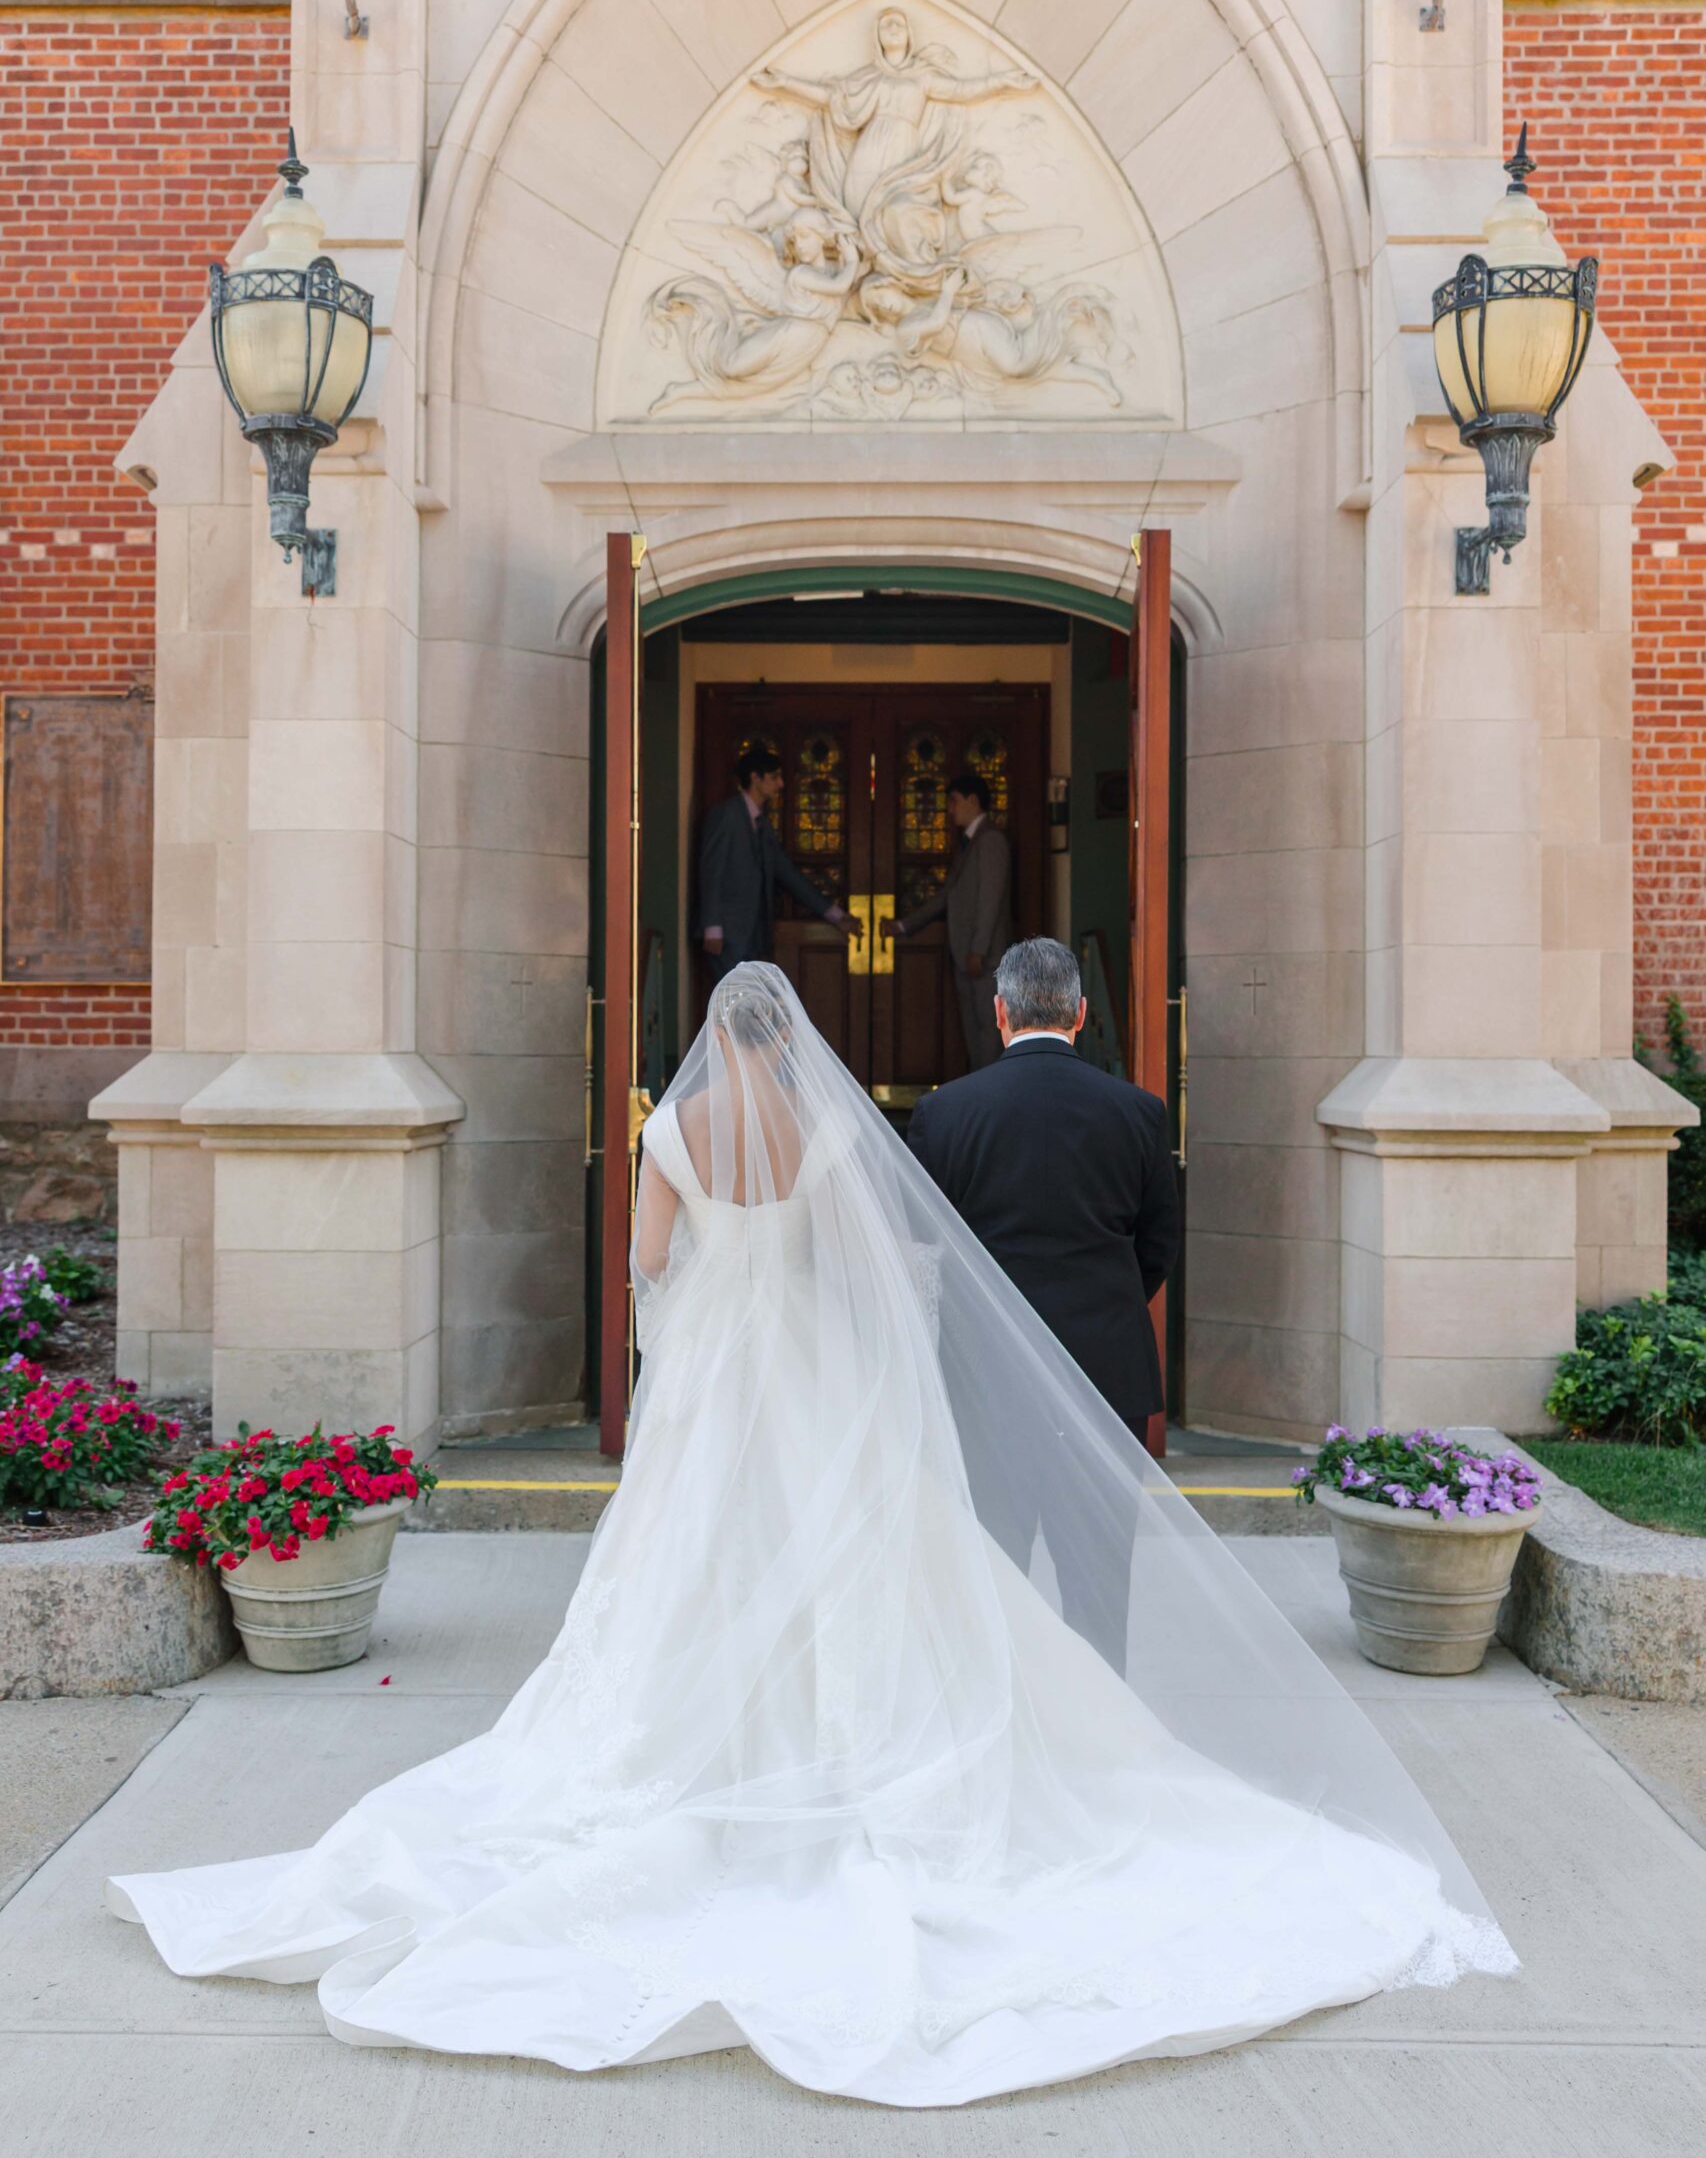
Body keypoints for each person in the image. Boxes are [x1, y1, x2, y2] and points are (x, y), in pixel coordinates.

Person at [108, 964, 1516, 2106]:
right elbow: (874, 1266)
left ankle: (704, 1747)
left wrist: (683, 1295)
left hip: (715, 1384)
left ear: (715, 1038)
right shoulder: (836, 1127)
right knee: (854, 1554)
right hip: (812, 1381)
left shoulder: (670, 1127)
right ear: (795, 1043)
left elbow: (652, 1262)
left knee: (693, 1561)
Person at [907, 936, 1180, 1662]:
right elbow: (1158, 1247)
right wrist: (1106, 1307)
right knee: (1099, 1583)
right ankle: (1100, 1740)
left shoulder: (945, 1113)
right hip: (1105, 1374)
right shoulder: (1140, 1113)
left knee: (994, 1577)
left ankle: (1006, 1733)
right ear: (1082, 1013)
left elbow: (920, 1244)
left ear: (999, 1012)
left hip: (985, 1377)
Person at [881, 773, 1012, 1069]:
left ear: (973, 800)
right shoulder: (968, 844)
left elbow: (990, 900)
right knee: (974, 1036)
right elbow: (946, 897)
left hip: (984, 959)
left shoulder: (991, 840)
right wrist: (903, 926)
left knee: (990, 1035)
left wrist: (978, 949)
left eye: (954, 801)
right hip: (966, 957)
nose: (950, 810)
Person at [697, 741, 858, 976]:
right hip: (728, 933)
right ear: (755, 778)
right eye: (774, 777)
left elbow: (788, 875)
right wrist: (712, 926)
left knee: (750, 1003)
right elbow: (711, 871)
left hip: (754, 934)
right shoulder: (726, 815)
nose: (780, 784)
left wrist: (834, 914)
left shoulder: (762, 825)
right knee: (734, 1002)